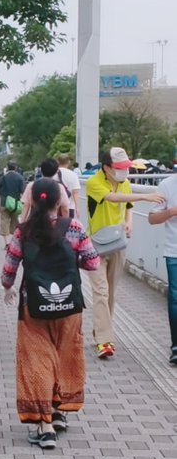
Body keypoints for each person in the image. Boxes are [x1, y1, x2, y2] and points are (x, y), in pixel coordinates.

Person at [1, 178, 99, 449]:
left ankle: (43, 425)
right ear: (59, 201)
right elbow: (93, 263)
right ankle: (59, 412)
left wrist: (7, 288)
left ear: (32, 202)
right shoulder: (75, 228)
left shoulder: (23, 231)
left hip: (33, 306)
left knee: (37, 361)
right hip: (69, 307)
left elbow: (9, 269)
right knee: (66, 356)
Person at [86, 147, 165, 359]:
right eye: (119, 168)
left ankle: (101, 333)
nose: (124, 172)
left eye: (125, 168)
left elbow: (126, 204)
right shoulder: (95, 183)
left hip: (118, 244)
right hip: (96, 246)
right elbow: (112, 198)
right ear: (106, 167)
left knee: (110, 292)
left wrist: (129, 222)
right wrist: (146, 197)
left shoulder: (125, 182)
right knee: (100, 291)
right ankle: (105, 340)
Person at [147, 173, 177, 365]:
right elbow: (152, 218)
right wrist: (172, 212)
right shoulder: (166, 185)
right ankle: (176, 346)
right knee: (175, 299)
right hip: (174, 251)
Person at [0, 161, 26, 246]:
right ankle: (14, 242)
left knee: (4, 221)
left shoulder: (3, 178)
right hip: (15, 204)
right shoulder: (20, 178)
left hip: (4, 203)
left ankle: (6, 243)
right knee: (15, 221)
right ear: (16, 168)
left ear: (7, 167)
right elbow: (22, 191)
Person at [56, 154, 82, 219]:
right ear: (68, 162)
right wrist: (77, 207)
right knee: (67, 227)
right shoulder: (73, 175)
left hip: (55, 207)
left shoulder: (53, 173)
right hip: (69, 206)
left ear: (58, 161)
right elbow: (75, 192)